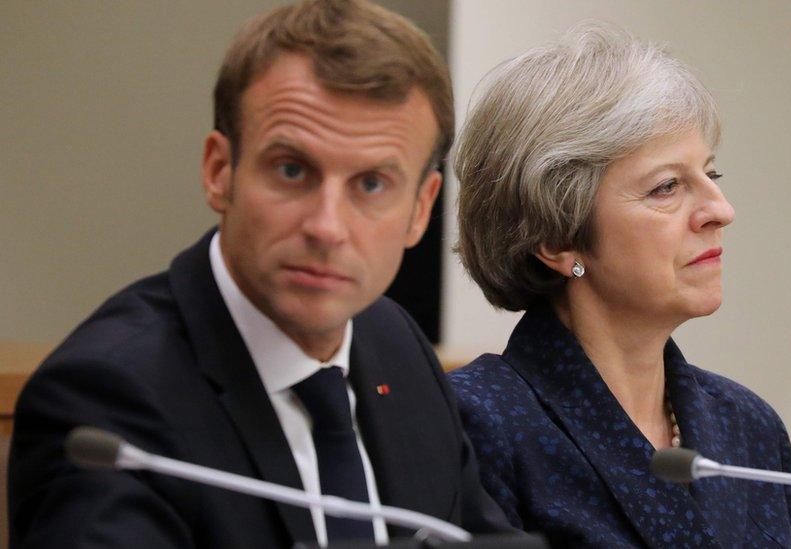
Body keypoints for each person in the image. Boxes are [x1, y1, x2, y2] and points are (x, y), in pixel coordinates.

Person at [8, 1, 509, 547]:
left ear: (419, 208)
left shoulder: (394, 342)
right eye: (292, 170)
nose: (326, 227)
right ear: (219, 172)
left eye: (370, 185)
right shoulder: (107, 400)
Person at [449, 25, 791, 548]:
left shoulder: (750, 426)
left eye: (711, 176)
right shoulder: (478, 424)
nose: (720, 212)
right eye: (667, 187)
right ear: (556, 237)